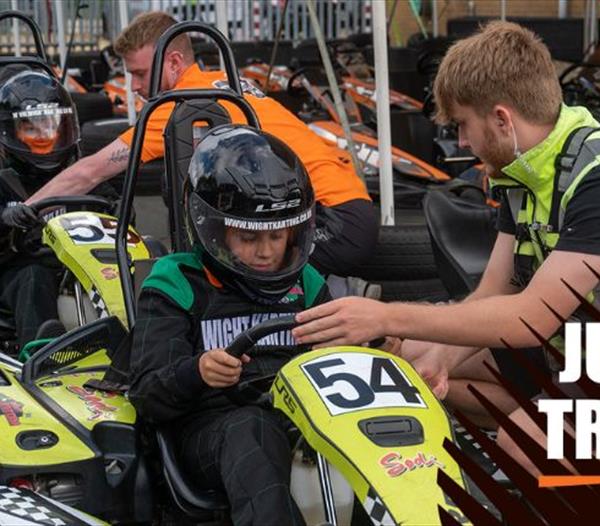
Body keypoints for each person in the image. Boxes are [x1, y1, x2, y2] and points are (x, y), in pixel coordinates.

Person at [290, 21, 600, 476]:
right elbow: (493, 297)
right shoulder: (524, 172)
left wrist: (385, 315)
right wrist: (438, 355)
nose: (461, 142)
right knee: (415, 360)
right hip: (598, 350)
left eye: (463, 124)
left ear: (501, 119)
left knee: (523, 442)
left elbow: (532, 319)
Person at [13, 11, 376, 278]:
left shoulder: (182, 106)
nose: (136, 86)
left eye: (140, 73)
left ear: (173, 63)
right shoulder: (221, 82)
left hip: (332, 220)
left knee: (210, 271)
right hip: (346, 210)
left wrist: (23, 210)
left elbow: (89, 172)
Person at [129, 125, 327, 526]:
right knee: (252, 429)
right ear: (214, 228)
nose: (266, 252)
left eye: (276, 235)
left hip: (298, 420)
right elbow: (147, 393)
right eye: (247, 237)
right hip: (210, 428)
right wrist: (197, 371)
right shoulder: (176, 283)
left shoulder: (308, 284)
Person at [0, 65, 99, 349]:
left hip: (80, 270)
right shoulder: (3, 180)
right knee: (34, 277)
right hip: (18, 273)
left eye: (50, 124)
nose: (43, 135)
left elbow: (115, 208)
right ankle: (40, 353)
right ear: (10, 130)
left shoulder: (81, 175)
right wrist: (5, 218)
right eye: (31, 126)